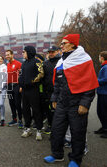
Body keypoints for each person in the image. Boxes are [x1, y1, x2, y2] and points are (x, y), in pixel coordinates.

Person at [44, 34, 99, 167]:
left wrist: (85, 104)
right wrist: (54, 98)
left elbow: (90, 84)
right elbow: (57, 84)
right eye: (61, 44)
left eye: (64, 43)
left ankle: (75, 159)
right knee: (56, 130)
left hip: (77, 104)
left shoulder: (84, 59)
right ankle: (57, 154)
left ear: (73, 45)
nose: (61, 46)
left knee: (77, 133)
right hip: (62, 103)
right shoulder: (61, 61)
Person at [19, 46, 44, 141]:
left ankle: (38, 130)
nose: (23, 53)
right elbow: (21, 74)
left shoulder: (37, 62)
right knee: (25, 110)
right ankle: (27, 128)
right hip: (25, 90)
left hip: (34, 90)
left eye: (24, 52)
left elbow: (41, 74)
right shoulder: (24, 64)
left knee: (36, 110)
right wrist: (20, 82)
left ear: (29, 52)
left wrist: (32, 81)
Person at [42, 46, 61, 134]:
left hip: (60, 92)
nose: (51, 54)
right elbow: (43, 77)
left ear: (57, 51)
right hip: (48, 91)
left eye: (52, 52)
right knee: (48, 110)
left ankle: (58, 128)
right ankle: (50, 125)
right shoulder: (45, 63)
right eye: (49, 52)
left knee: (59, 110)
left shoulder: (61, 62)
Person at [5, 50, 23, 128]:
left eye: (8, 55)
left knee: (17, 104)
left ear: (12, 55)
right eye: (6, 55)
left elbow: (22, 75)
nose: (7, 56)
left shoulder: (18, 64)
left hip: (16, 86)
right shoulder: (8, 64)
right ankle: (14, 119)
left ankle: (20, 120)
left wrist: (21, 86)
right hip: (9, 86)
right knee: (11, 103)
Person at [95, 51, 107, 138]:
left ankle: (106, 129)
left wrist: (95, 81)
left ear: (102, 58)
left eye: (99, 57)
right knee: (100, 111)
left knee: (104, 112)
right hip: (101, 92)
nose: (99, 59)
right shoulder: (103, 67)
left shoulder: (106, 67)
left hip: (105, 93)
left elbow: (105, 79)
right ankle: (104, 127)